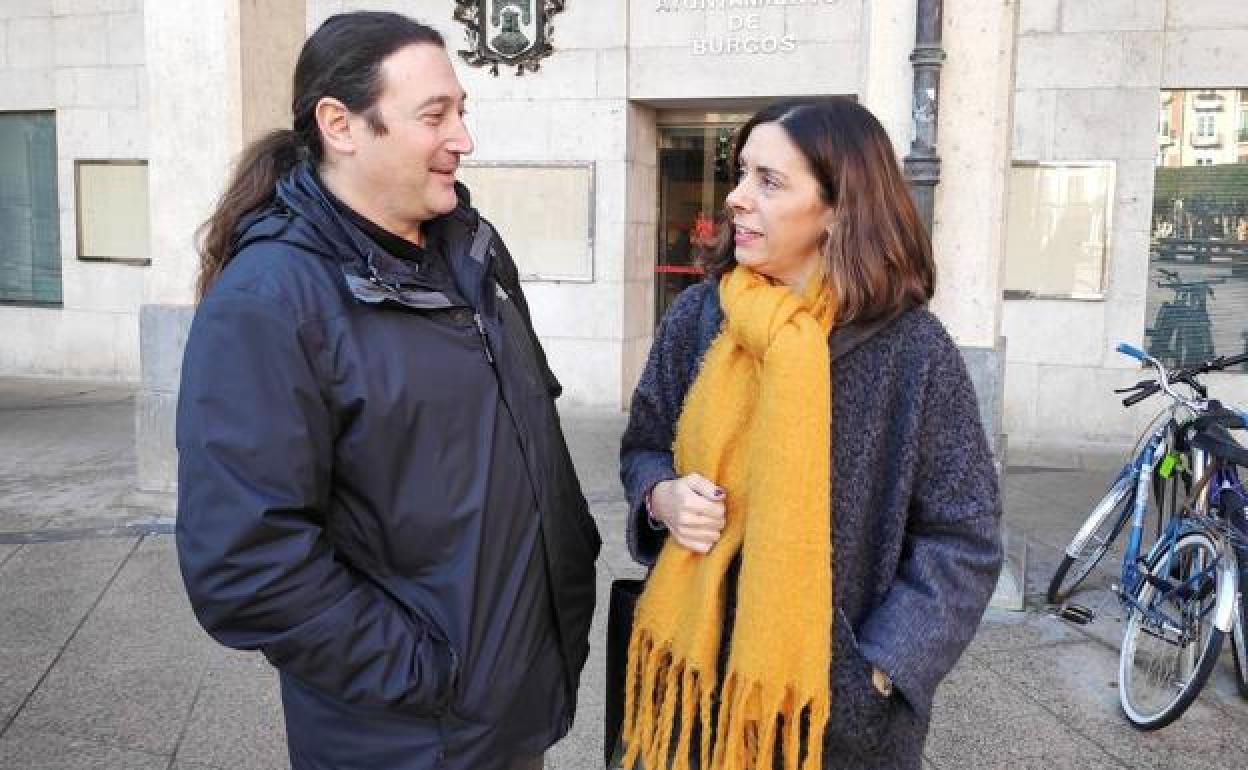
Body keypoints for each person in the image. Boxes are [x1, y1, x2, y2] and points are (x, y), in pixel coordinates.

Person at [175, 12, 600, 770]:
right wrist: (430, 675)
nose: (462, 138)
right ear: (340, 124)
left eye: (462, 110)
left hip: (511, 708)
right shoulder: (271, 301)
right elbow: (245, 564)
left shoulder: (472, 249)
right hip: (405, 735)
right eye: (434, 115)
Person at [619, 98, 1002, 770]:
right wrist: (661, 495)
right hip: (693, 698)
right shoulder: (699, 317)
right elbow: (644, 444)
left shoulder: (913, 352)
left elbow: (963, 536)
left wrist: (881, 667)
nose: (736, 198)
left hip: (834, 723)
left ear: (838, 207)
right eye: (741, 173)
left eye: (768, 181)